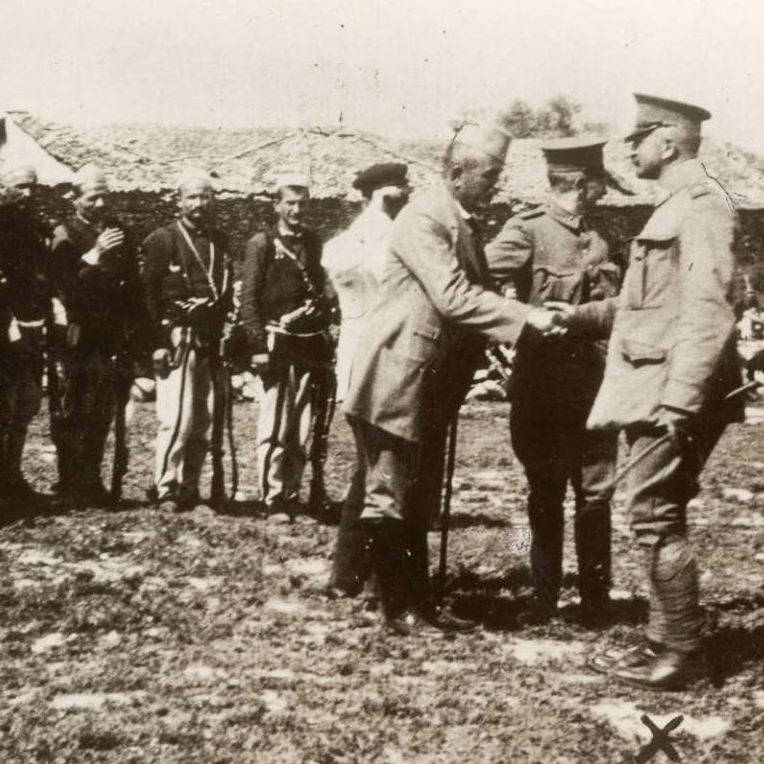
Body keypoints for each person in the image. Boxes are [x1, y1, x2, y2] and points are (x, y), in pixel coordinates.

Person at [342, 123, 566, 636]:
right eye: (490, 176)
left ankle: (412, 601)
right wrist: (527, 317)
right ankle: (397, 607)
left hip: (424, 380)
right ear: (458, 171)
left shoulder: (457, 220)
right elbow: (454, 297)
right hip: (396, 376)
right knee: (389, 492)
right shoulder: (426, 217)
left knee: (416, 493)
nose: (496, 186)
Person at [577, 94, 744, 689]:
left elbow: (709, 308)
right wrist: (572, 317)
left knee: (653, 512)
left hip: (671, 389)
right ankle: (661, 641)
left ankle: (684, 654)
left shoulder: (702, 208)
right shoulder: (677, 205)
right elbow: (643, 304)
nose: (628, 148)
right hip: (658, 382)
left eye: (638, 137)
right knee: (655, 510)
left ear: (668, 143)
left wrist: (681, 397)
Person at [484, 136, 621, 627]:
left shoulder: (603, 237)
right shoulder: (527, 230)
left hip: (595, 386)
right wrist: (518, 320)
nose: (605, 193)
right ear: (582, 184)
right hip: (542, 386)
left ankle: (596, 604)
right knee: (544, 492)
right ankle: (542, 601)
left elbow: (621, 303)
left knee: (596, 495)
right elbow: (472, 280)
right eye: (600, 184)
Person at [323, 162, 411, 597]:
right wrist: (380, 219)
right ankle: (372, 576)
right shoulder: (350, 245)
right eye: (392, 193)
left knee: (371, 471)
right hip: (369, 369)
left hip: (383, 367)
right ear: (369, 197)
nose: (401, 199)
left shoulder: (387, 237)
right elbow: (375, 271)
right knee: (380, 472)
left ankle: (349, 574)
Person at [49, 165, 145, 508]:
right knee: (74, 407)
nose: (101, 204)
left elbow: (132, 285)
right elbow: (65, 285)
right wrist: (95, 254)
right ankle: (70, 480)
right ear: (75, 198)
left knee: (103, 408)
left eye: (105, 196)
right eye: (93, 197)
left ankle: (92, 477)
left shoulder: (118, 231)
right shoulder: (64, 234)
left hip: (110, 334)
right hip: (78, 333)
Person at [140, 170, 235, 511]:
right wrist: (157, 342)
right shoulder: (163, 239)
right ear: (178, 201)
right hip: (177, 338)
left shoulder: (220, 240)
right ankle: (165, 487)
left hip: (210, 339)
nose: (199, 204)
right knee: (176, 418)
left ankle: (189, 488)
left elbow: (225, 292)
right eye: (192, 197)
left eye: (204, 196)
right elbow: (148, 296)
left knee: (203, 419)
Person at [241, 173, 336, 516]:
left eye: (302, 204)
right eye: (290, 203)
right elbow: (249, 299)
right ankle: (272, 498)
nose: (297, 210)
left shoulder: (312, 242)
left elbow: (322, 288)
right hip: (277, 344)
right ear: (276, 205)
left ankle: (293, 493)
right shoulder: (261, 244)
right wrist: (257, 346)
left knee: (302, 425)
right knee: (275, 427)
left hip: (309, 345)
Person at [0, 166, 54, 510]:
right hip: (5, 331)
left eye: (33, 187)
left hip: (34, 326)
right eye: (21, 186)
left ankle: (12, 475)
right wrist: (8, 325)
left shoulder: (34, 229)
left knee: (25, 405)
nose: (28, 193)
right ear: (3, 187)